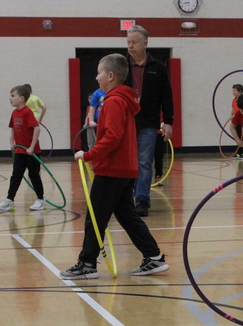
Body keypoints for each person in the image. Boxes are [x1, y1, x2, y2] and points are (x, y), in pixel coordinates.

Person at [61, 53, 169, 280]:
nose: (96, 77)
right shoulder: (122, 100)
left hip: (112, 169)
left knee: (95, 216)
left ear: (110, 76)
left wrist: (88, 154)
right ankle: (154, 257)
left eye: (99, 72)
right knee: (127, 215)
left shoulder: (113, 102)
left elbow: (112, 137)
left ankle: (87, 263)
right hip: (124, 169)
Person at [124, 25, 174, 217]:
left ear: (145, 43)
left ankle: (142, 201)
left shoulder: (158, 68)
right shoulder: (121, 66)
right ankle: (127, 198)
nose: (130, 46)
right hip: (125, 122)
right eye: (128, 42)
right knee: (128, 162)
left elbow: (167, 96)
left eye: (134, 42)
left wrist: (168, 121)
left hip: (148, 122)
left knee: (145, 161)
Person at [0, 85, 46, 212]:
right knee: (16, 175)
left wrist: (31, 147)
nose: (10, 99)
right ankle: (9, 200)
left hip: (31, 152)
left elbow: (37, 128)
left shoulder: (27, 112)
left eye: (13, 96)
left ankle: (40, 200)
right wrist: (11, 142)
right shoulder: (14, 113)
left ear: (22, 98)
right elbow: (13, 128)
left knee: (34, 175)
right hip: (19, 151)